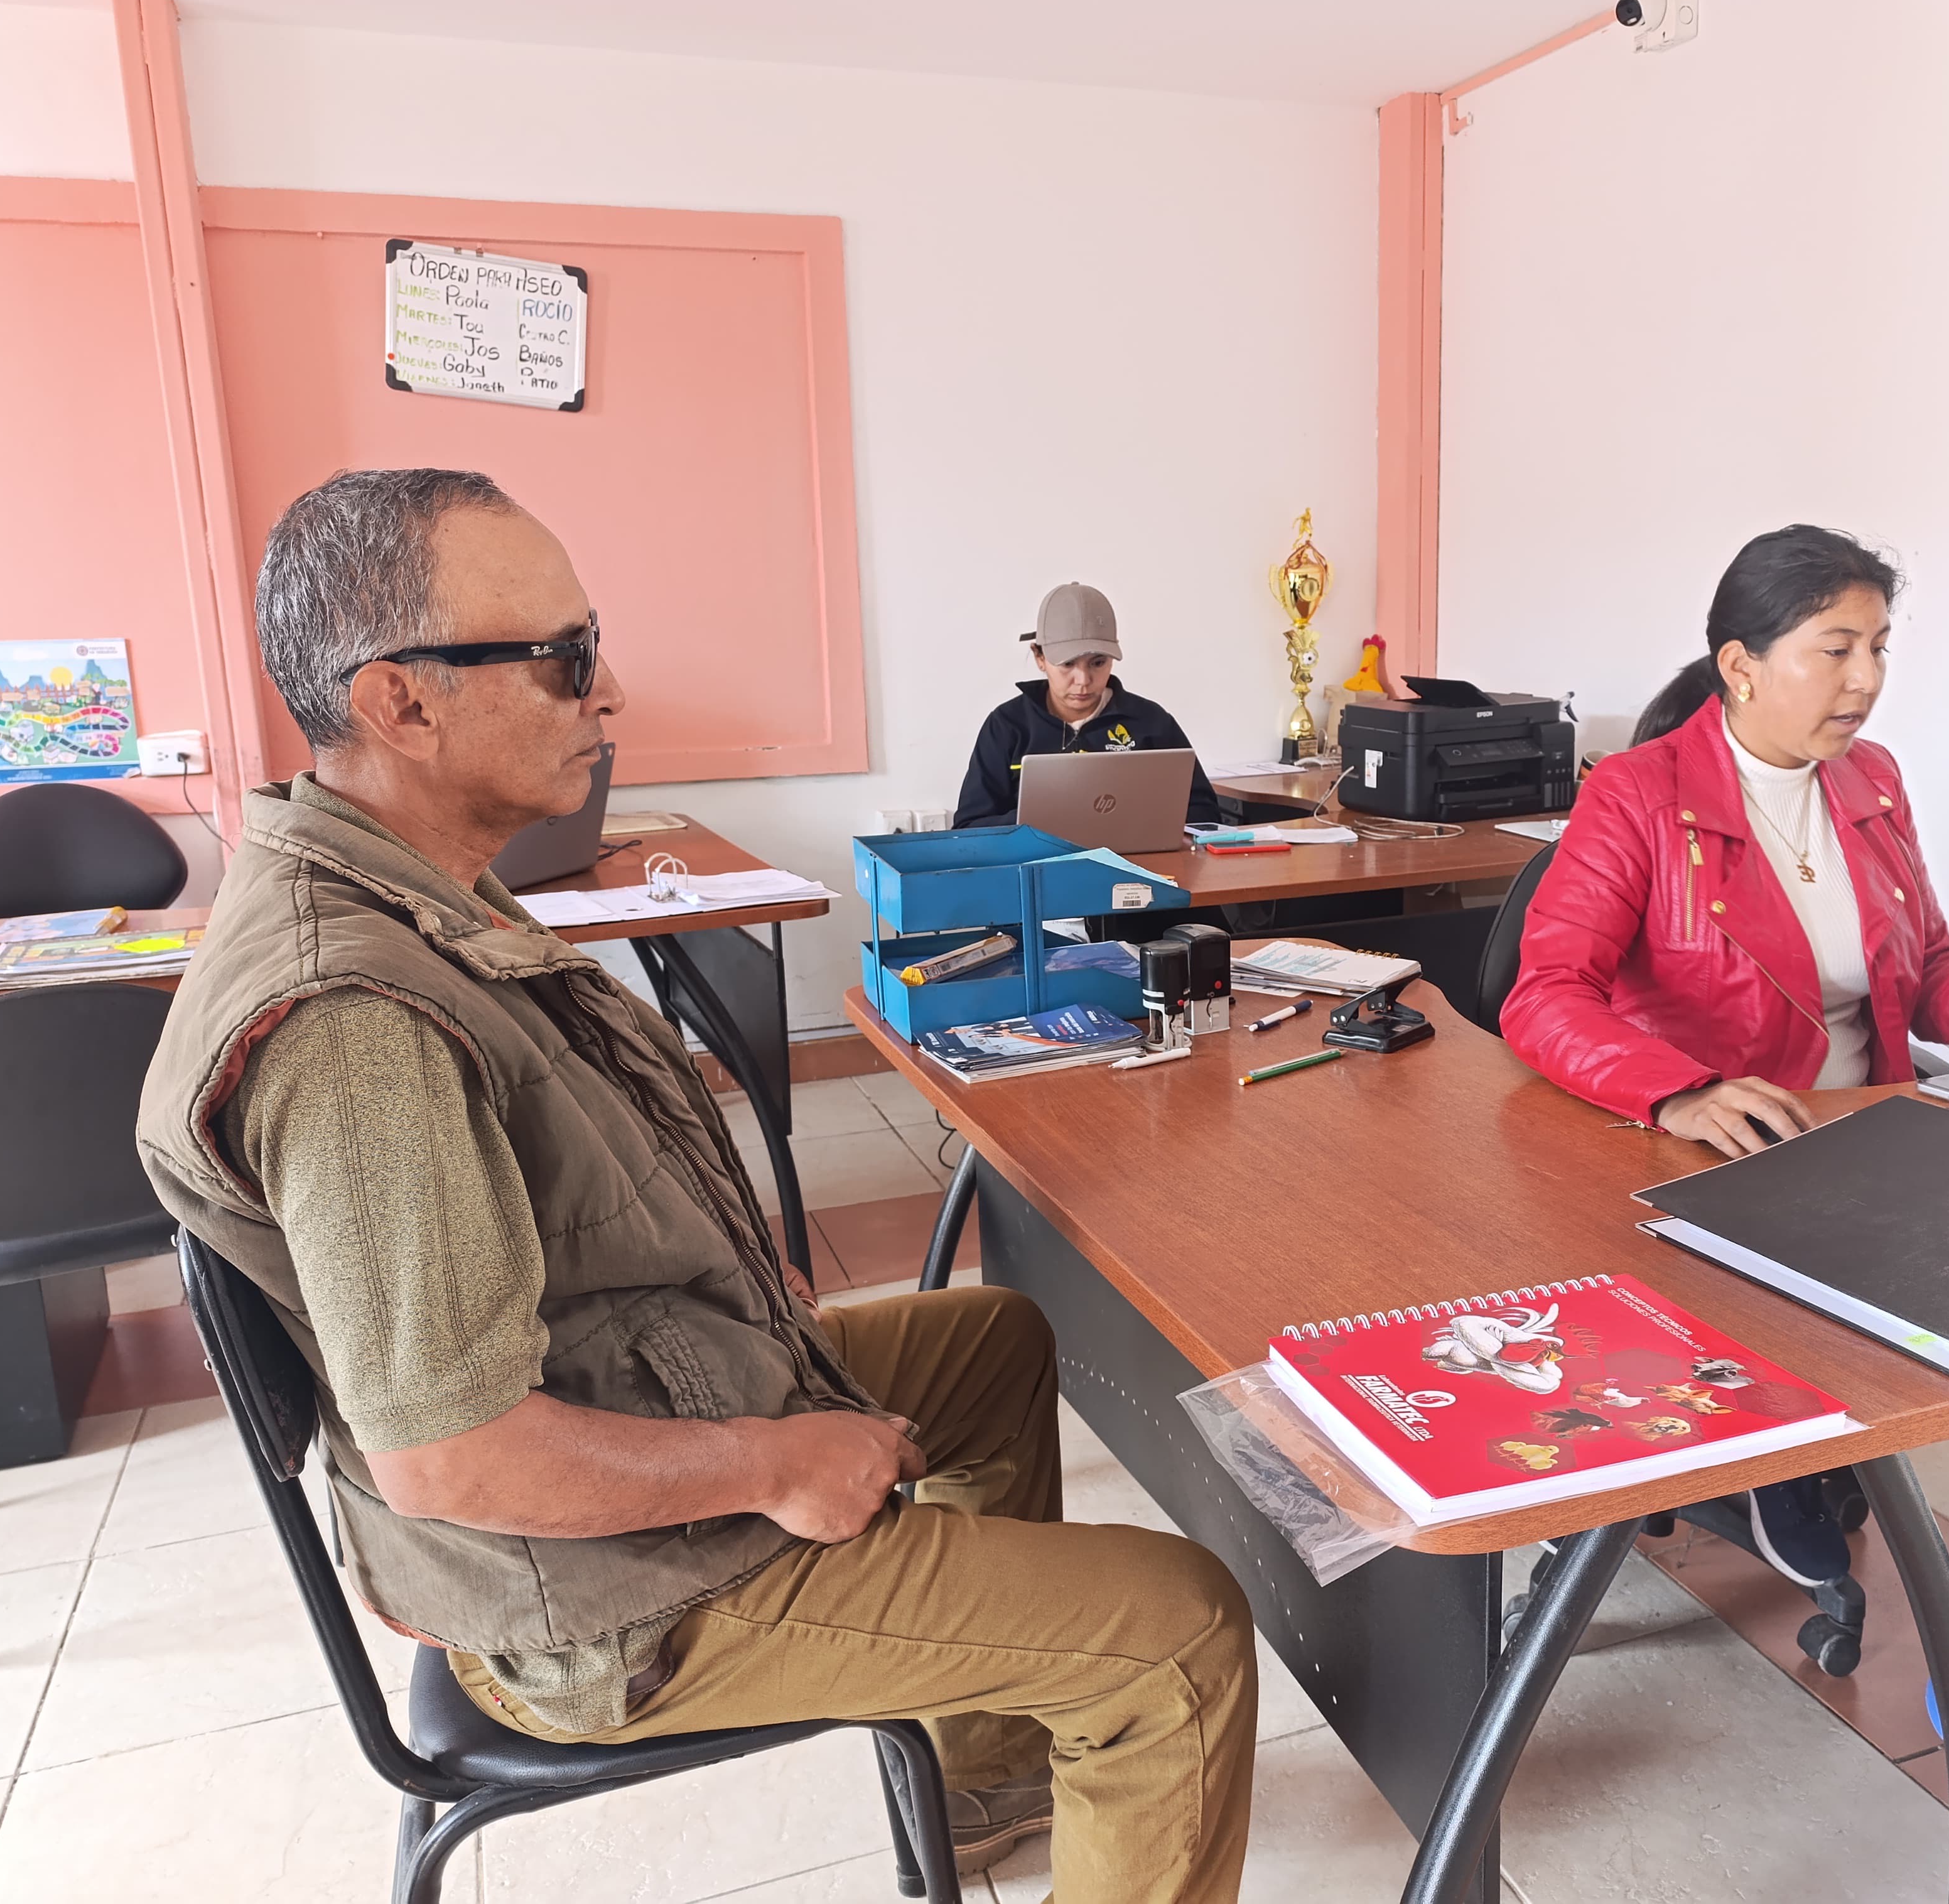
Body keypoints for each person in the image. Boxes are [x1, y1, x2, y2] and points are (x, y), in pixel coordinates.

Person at [135, 470, 1256, 1900]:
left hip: (638, 1389)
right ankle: (1095, 1697)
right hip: (599, 1595)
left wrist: (735, 1283)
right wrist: (774, 1463)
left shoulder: (414, 882)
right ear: (399, 702)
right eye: (563, 657)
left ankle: (982, 1773)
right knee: (1175, 1631)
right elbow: (454, 1459)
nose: (606, 693)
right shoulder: (356, 1026)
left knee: (993, 1337)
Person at [1498, 523, 1949, 1581]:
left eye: (1879, 648)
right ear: (1742, 665)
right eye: (1836, 649)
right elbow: (1546, 996)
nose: (1867, 679)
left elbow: (1929, 973)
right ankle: (1766, 1449)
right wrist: (1679, 1092)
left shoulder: (1870, 780)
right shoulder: (1639, 792)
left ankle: (1801, 1435)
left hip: (1860, 1142)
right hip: (1706, 1151)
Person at [953, 582, 1222, 827]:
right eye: (1068, 664)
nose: (1083, 681)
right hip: (1038, 862)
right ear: (1040, 658)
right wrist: (1036, 820)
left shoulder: (1151, 722)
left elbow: (1205, 814)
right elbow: (969, 826)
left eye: (1098, 663)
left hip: (1138, 862)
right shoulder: (1007, 725)